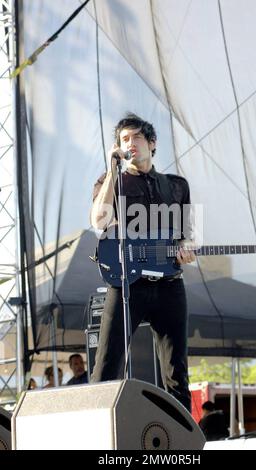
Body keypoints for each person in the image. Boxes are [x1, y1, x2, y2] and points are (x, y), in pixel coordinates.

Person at [90, 113, 195, 411]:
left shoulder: (175, 186)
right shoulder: (112, 182)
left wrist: (186, 250)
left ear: (152, 143)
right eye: (124, 140)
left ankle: (183, 442)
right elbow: (99, 220)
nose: (130, 144)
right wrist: (112, 170)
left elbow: (187, 235)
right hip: (126, 283)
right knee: (106, 365)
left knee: (177, 372)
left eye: (136, 137)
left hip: (169, 284)